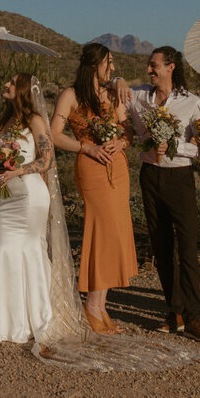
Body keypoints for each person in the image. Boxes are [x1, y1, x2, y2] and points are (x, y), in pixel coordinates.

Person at [122, 46, 200, 342]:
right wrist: (118, 82)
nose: (149, 70)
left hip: (179, 177)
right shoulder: (138, 96)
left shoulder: (193, 103)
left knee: (187, 248)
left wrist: (176, 147)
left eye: (154, 65)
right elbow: (113, 88)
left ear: (171, 67)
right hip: (149, 176)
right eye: (149, 66)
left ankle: (195, 317)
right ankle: (173, 311)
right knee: (160, 248)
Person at [48, 42, 136, 335]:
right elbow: (53, 135)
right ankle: (91, 305)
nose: (112, 68)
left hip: (118, 166)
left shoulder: (114, 93)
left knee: (115, 233)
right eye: (108, 62)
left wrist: (121, 142)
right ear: (94, 64)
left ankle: (100, 306)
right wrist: (85, 147)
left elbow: (128, 129)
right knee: (100, 232)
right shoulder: (70, 95)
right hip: (91, 167)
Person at [0, 73, 55, 343]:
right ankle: (5, 325)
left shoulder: (34, 120)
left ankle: (36, 319)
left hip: (29, 195)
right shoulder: (6, 120)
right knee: (3, 251)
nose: (6, 85)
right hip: (6, 198)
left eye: (13, 83)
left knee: (28, 252)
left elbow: (47, 159)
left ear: (24, 90)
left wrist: (18, 172)